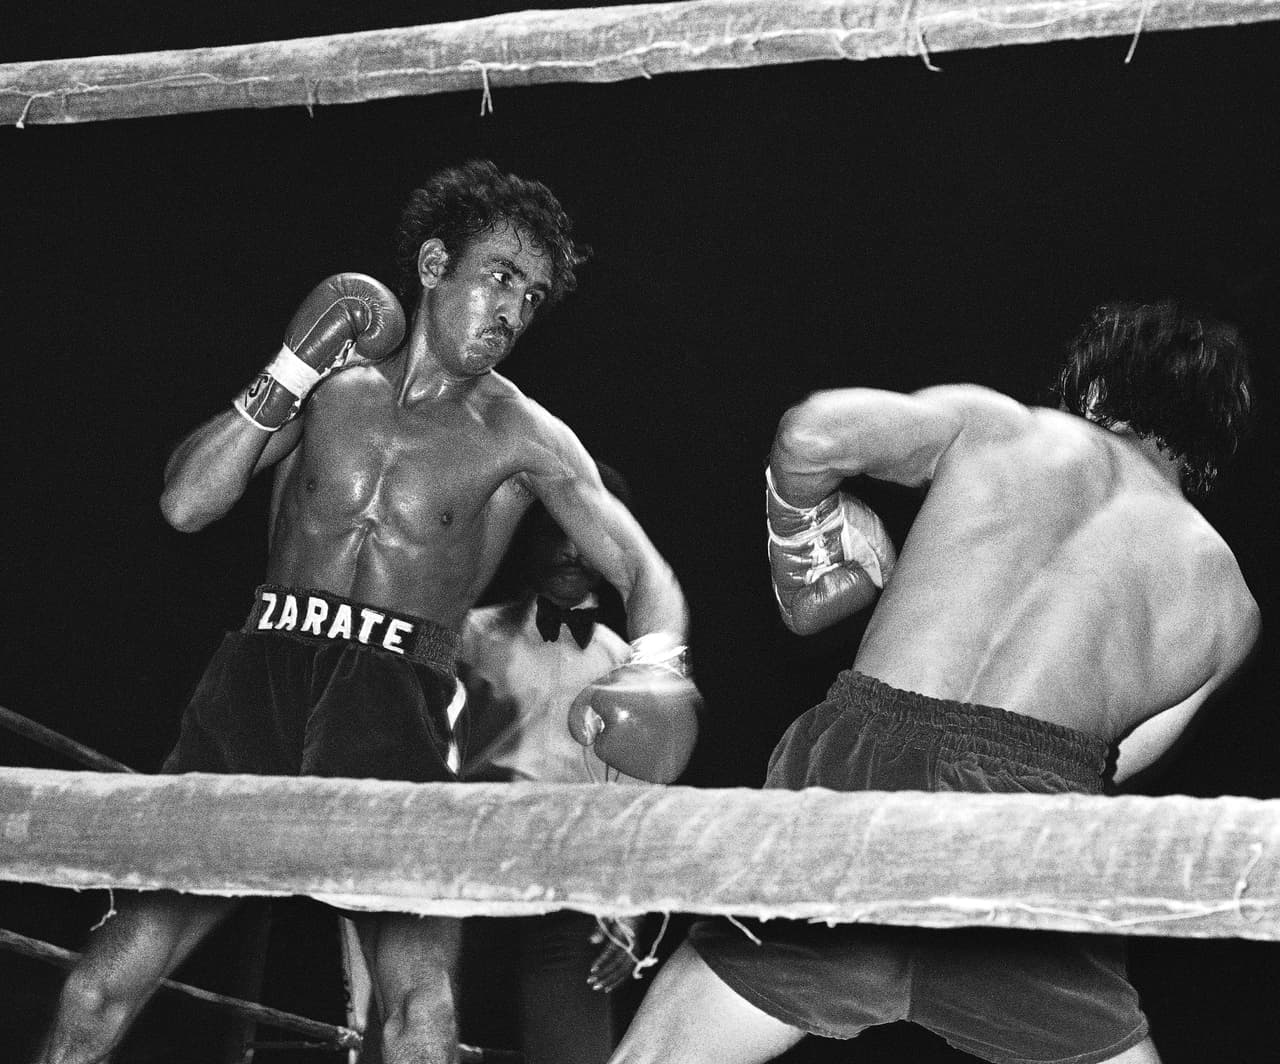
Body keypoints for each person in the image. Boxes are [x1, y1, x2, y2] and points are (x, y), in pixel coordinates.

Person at [34, 159, 697, 1064]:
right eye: (499, 276)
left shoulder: (523, 435)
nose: (511, 311)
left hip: (392, 703)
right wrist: (289, 368)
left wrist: (657, 671)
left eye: (532, 297)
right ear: (433, 265)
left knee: (420, 1015)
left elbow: (643, 569)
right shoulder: (329, 386)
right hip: (256, 685)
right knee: (95, 986)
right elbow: (187, 502)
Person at [606, 300, 1260, 1064]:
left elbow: (809, 435)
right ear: (1212, 443)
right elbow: (1113, 763)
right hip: (1029, 837)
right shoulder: (1227, 600)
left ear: (1093, 390)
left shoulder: (999, 426)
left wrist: (808, 545)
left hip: (859, 785)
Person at [456, 462, 669, 1064]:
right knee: (412, 1029)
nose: (571, 552)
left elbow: (637, 804)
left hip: (570, 892)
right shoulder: (467, 636)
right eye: (556, 532)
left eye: (587, 537)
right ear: (530, 537)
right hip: (461, 875)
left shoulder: (631, 666)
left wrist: (629, 916)